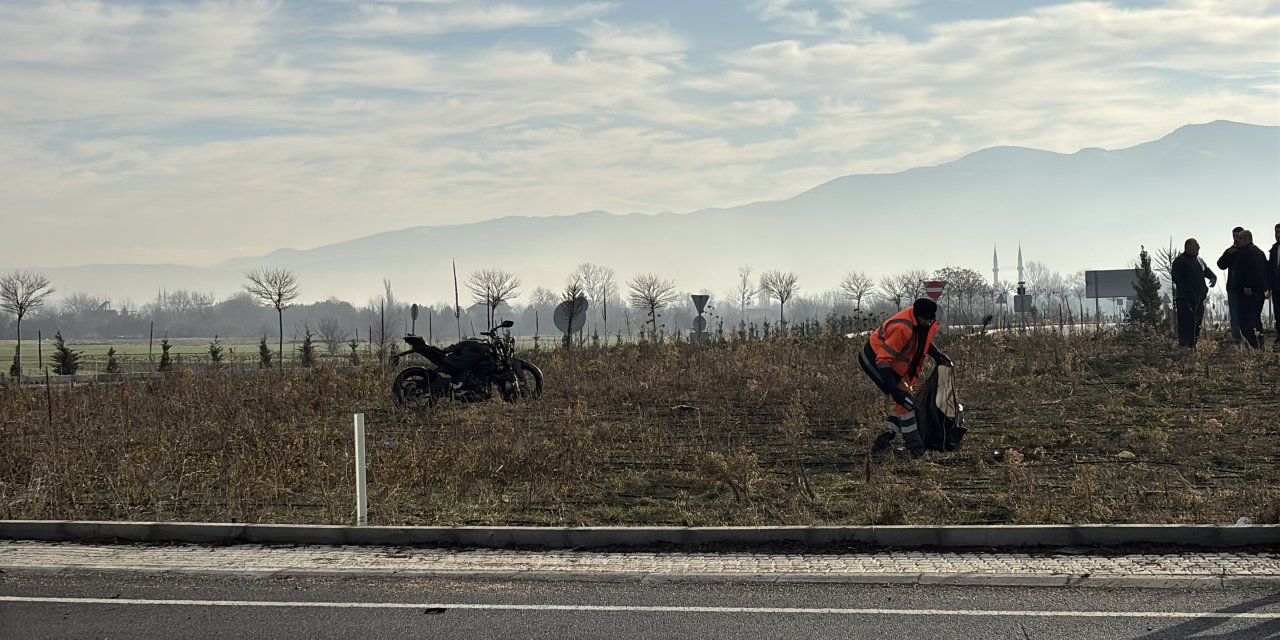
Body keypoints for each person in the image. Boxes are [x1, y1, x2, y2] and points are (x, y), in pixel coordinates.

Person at [858, 298, 951, 457]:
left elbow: (924, 340)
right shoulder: (903, 328)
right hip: (874, 360)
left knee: (905, 400)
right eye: (926, 320)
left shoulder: (922, 321)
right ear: (918, 316)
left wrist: (937, 355)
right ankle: (915, 449)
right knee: (905, 404)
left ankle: (883, 440)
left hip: (893, 365)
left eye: (931, 320)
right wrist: (894, 390)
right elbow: (882, 360)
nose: (929, 323)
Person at [1171, 238, 1217, 348]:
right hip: (1184, 298)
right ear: (1188, 246)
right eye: (1196, 245)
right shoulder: (1180, 261)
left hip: (1199, 298)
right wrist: (1188, 289)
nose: (1199, 247)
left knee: (1197, 322)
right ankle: (1184, 345)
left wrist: (1213, 278)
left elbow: (1207, 271)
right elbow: (1176, 278)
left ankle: (1193, 344)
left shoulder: (1200, 260)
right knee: (1186, 322)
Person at [1231, 229, 1270, 349]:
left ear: (1247, 238)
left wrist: (1248, 285)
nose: (1237, 240)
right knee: (1252, 319)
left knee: (1249, 320)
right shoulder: (1248, 251)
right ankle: (1255, 344)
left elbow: (1254, 271)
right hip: (1253, 291)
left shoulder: (1251, 252)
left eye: (1240, 238)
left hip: (1250, 292)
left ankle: (1255, 345)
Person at [1217, 226, 1245, 345]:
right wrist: (1228, 253)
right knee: (1234, 316)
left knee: (1246, 315)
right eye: (1234, 236)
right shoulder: (1231, 251)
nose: (1236, 238)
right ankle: (1237, 340)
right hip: (1233, 289)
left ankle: (1249, 340)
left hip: (1246, 289)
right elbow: (1221, 264)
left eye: (1238, 236)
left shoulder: (1248, 250)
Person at [1270, 223, 1280, 349]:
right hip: (1277, 288)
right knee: (1278, 312)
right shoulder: (1274, 249)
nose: (1278, 235)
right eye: (1276, 232)